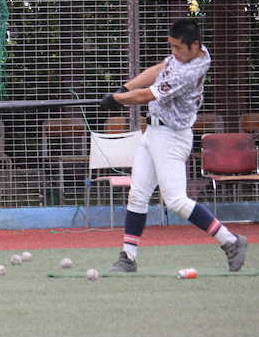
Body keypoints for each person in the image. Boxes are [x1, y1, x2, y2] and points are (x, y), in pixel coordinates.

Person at [100, 17, 248, 273]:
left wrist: (118, 100)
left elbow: (148, 94)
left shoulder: (189, 72)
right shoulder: (185, 56)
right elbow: (159, 69)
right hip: (153, 133)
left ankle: (231, 241)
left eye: (178, 48)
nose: (174, 53)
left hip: (172, 138)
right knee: (137, 194)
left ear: (195, 46)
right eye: (172, 46)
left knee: (176, 200)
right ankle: (128, 257)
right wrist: (124, 88)